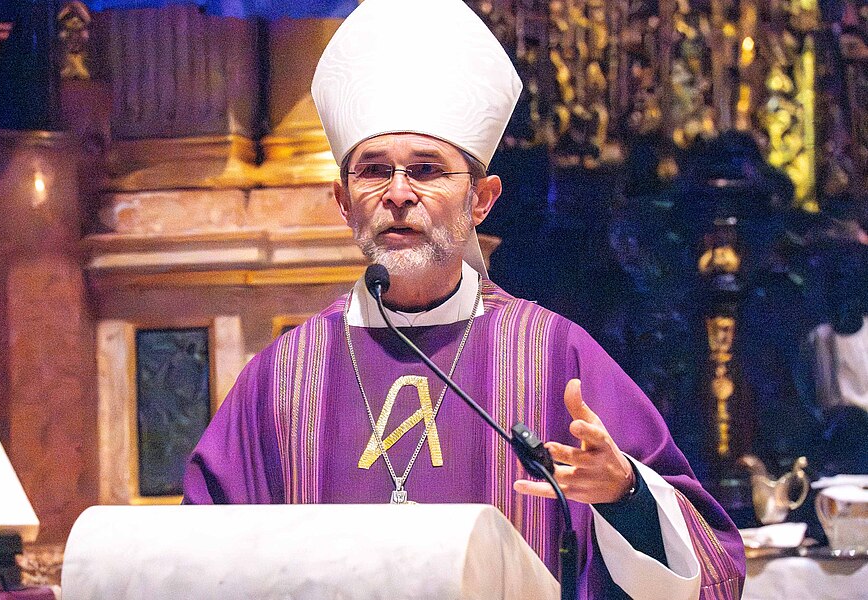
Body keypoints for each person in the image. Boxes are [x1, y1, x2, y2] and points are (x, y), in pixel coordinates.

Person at [183, 0, 745, 597]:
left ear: (481, 200)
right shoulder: (285, 374)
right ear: (344, 204)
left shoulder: (554, 356)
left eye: (426, 170)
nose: (398, 194)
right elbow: (201, 558)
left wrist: (626, 494)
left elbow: (713, 563)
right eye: (373, 170)